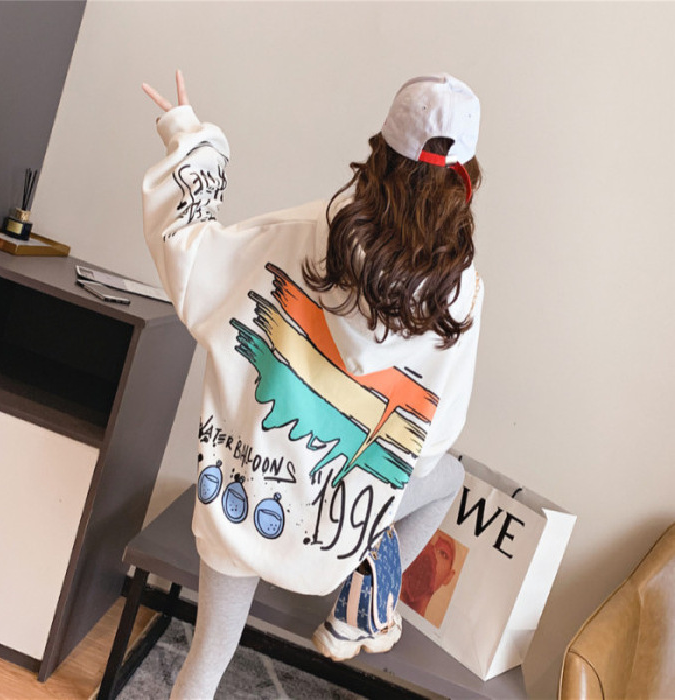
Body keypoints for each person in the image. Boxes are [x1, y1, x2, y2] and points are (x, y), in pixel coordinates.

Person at [142, 69, 483, 698]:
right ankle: (363, 599)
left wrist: (190, 140)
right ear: (464, 177)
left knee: (208, 656)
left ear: (380, 152)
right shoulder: (458, 292)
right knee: (449, 476)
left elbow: (193, 265)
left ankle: (363, 589)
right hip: (335, 525)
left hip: (247, 493)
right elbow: (436, 433)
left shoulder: (308, 233)